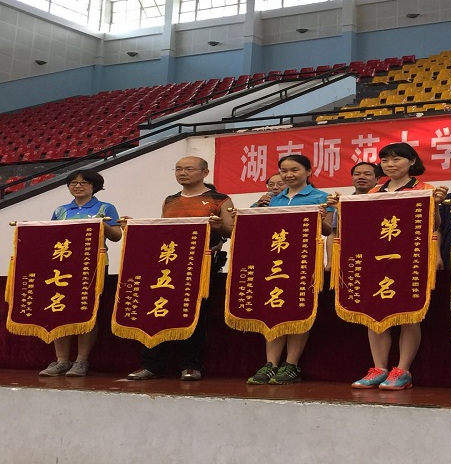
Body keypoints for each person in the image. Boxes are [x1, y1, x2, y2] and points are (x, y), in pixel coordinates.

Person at [329, 142, 448, 390]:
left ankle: (403, 370)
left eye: (396, 159)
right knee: (374, 314)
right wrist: (340, 206)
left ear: (412, 162)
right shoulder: (374, 191)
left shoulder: (425, 189)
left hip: (410, 260)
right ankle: (379, 368)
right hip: (376, 260)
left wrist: (436, 204)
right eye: (385, 160)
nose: (390, 164)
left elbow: (434, 225)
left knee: (409, 314)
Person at [127, 156, 234, 381]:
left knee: (194, 313)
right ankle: (151, 364)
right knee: (157, 310)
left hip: (201, 264)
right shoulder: (170, 200)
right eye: (178, 169)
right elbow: (164, 230)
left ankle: (191, 365)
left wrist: (219, 226)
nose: (182, 173)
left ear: (205, 173)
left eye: (189, 169)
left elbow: (231, 230)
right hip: (168, 264)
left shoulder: (220, 199)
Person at [247, 154, 334, 385]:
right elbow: (251, 226)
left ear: (308, 172)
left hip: (304, 261)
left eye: (294, 170)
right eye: (283, 171)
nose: (288, 175)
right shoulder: (272, 199)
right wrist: (254, 209)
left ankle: (291, 364)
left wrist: (321, 219)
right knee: (273, 309)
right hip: (273, 261)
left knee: (298, 311)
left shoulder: (321, 197)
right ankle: (270, 364)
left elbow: (328, 230)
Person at [39, 170, 123, 377]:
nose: (78, 186)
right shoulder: (60, 210)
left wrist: (101, 224)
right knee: (59, 309)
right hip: (63, 266)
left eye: (84, 182)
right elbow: (51, 237)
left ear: (94, 186)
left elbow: (116, 236)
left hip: (93, 265)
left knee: (88, 311)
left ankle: (81, 361)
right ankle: (61, 361)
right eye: (73, 183)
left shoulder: (105, 208)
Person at [325, 162, 381, 265]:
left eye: (367, 174)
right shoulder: (342, 203)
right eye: (357, 174)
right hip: (350, 257)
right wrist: (330, 261)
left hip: (376, 255)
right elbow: (333, 234)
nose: (361, 177)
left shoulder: (383, 201)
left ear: (377, 179)